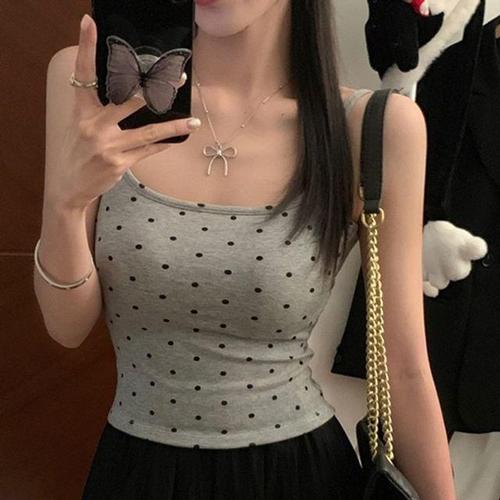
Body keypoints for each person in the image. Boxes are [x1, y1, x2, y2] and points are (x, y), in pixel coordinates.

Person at [34, 1, 456, 498]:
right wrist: (66, 203)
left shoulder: (371, 126)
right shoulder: (88, 83)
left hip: (300, 478)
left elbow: (404, 369)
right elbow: (67, 326)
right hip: (136, 473)